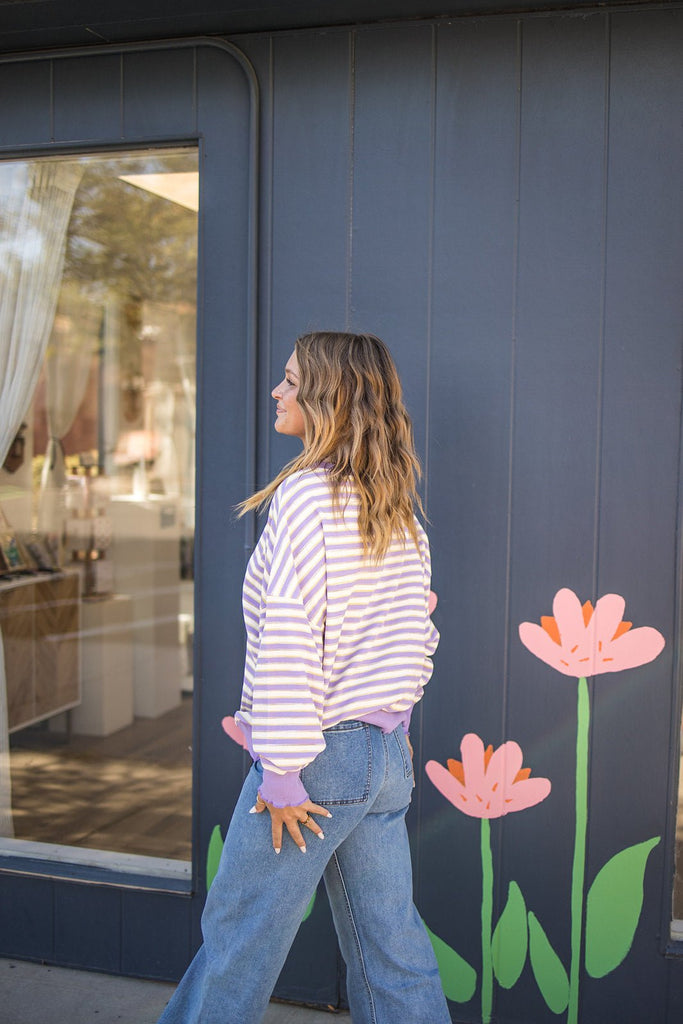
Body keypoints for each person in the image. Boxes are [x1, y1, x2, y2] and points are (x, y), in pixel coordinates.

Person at [158, 332, 451, 1024]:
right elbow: (420, 633)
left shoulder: (305, 498)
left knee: (241, 934)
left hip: (315, 763)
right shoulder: (394, 506)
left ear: (327, 397)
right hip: (381, 756)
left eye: (290, 382)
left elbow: (288, 638)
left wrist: (283, 768)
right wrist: (393, 725)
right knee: (390, 945)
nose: (276, 393)